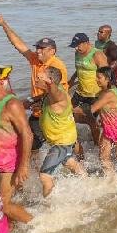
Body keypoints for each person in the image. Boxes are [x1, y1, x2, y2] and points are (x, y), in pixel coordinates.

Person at [0, 15, 69, 169]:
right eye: (37, 48)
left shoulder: (57, 66)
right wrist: (4, 25)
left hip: (54, 113)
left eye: (42, 48)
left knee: (62, 144)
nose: (38, 51)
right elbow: (19, 45)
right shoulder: (35, 59)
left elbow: (56, 93)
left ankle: (78, 162)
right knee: (31, 143)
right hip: (37, 112)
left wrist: (31, 101)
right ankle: (33, 170)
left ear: (52, 51)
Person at [0, 64, 33, 223]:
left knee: (3, 205)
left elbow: (27, 135)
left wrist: (23, 166)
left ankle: (37, 225)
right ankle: (9, 229)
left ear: (1, 83)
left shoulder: (12, 104)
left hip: (8, 165)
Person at [34, 66, 86, 196]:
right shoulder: (52, 93)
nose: (36, 78)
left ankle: (48, 205)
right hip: (65, 139)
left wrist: (49, 85)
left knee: (44, 176)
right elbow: (50, 94)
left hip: (61, 142)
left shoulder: (58, 95)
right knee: (69, 163)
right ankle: (88, 183)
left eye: (40, 77)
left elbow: (54, 92)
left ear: (50, 81)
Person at [69, 32, 109, 151]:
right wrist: (71, 80)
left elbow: (107, 75)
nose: (76, 48)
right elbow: (79, 68)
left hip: (94, 94)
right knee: (67, 115)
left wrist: (106, 94)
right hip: (80, 92)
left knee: (92, 121)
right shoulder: (77, 53)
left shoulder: (97, 55)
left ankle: (97, 147)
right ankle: (75, 144)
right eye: (75, 46)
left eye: (78, 45)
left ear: (87, 43)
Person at [90, 66, 117, 175]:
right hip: (108, 128)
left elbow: (92, 109)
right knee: (103, 156)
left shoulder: (109, 93)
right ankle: (110, 178)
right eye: (96, 77)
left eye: (99, 77)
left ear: (108, 78)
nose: (96, 79)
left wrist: (70, 109)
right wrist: (101, 119)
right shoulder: (104, 91)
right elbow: (104, 109)